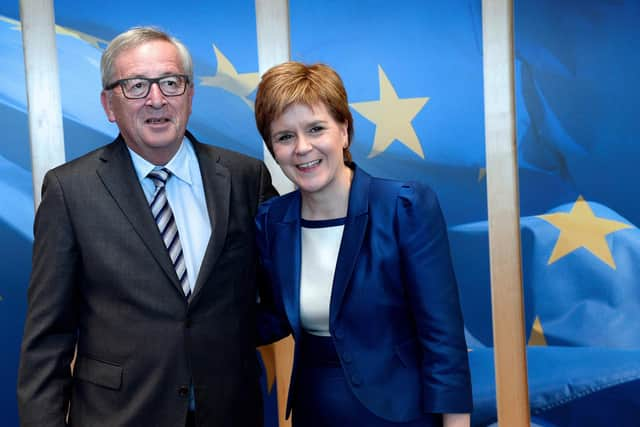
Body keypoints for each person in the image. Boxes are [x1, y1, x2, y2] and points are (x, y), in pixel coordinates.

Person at [17, 27, 279, 427]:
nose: (156, 99)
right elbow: (47, 339)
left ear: (190, 95)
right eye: (136, 86)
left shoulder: (246, 178)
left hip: (229, 411)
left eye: (170, 83)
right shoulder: (70, 191)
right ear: (109, 104)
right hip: (119, 416)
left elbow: (282, 296)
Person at [253, 62, 472, 427]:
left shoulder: (404, 206)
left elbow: (442, 340)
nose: (302, 148)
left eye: (316, 128)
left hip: (403, 414)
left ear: (344, 131)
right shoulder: (270, 221)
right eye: (285, 136)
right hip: (315, 413)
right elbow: (272, 319)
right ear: (273, 149)